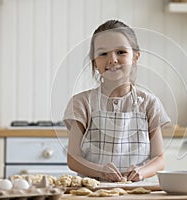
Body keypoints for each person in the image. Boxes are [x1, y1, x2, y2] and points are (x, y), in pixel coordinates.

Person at [63, 19, 170, 182]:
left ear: (135, 56)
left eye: (121, 52)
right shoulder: (81, 103)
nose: (112, 59)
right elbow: (73, 159)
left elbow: (159, 159)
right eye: (103, 53)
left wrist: (141, 171)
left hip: (136, 192)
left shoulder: (149, 103)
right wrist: (99, 170)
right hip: (92, 191)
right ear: (94, 61)